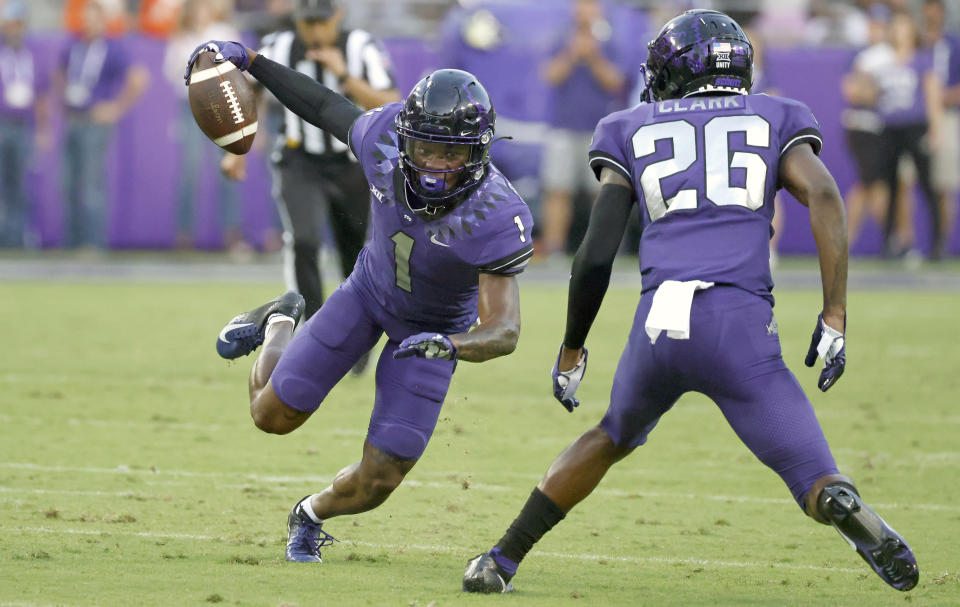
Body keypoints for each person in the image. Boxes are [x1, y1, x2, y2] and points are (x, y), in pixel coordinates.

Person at [463, 9, 918, 595]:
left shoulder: (629, 126)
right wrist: (834, 315)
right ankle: (837, 500)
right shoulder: (776, 114)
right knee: (813, 476)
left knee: (609, 436)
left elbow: (596, 254)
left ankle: (503, 557)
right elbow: (825, 194)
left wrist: (573, 347)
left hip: (660, 324)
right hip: (740, 326)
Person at [186, 39, 534, 563]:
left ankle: (309, 514)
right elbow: (323, 105)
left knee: (380, 479)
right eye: (426, 149)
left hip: (430, 335)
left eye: (452, 153)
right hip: (368, 294)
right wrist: (253, 63)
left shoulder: (495, 215)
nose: (436, 165)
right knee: (270, 416)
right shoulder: (383, 139)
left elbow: (503, 329)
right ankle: (281, 319)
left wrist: (451, 345)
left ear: (478, 153)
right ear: (406, 140)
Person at [222, 0, 400, 332]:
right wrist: (238, 148)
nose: (315, 32)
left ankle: (356, 331)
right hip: (299, 158)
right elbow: (253, 92)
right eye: (308, 23)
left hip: (351, 163)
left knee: (354, 254)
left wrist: (344, 73)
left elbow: (391, 102)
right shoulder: (280, 45)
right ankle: (312, 329)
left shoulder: (361, 46)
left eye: (321, 22)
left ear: (338, 17)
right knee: (303, 240)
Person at [162, 0, 251, 256]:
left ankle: (233, 234)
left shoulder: (224, 32)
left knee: (228, 170)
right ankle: (184, 235)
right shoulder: (181, 37)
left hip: (222, 106)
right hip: (191, 106)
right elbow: (173, 73)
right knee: (189, 170)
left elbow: (239, 67)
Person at [538, 0, 625, 259]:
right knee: (557, 189)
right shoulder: (561, 36)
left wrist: (594, 56)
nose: (585, 10)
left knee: (601, 192)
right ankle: (554, 249)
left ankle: (604, 250)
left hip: (599, 129)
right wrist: (572, 54)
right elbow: (550, 75)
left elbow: (615, 82)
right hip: (563, 127)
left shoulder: (610, 39)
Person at [57, 0, 148, 250]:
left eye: (94, 17)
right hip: (74, 119)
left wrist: (116, 108)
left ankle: (92, 243)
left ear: (103, 20)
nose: (89, 22)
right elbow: (61, 74)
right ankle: (71, 242)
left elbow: (139, 79)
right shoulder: (73, 45)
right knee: (70, 183)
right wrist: (63, 99)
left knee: (92, 184)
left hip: (95, 122)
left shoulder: (112, 48)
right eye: (86, 17)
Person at [874, 10, 945, 260]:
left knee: (927, 185)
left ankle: (937, 245)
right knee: (891, 187)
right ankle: (888, 243)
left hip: (915, 126)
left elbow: (932, 94)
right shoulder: (883, 59)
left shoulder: (922, 59)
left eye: (904, 27)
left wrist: (935, 130)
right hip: (890, 128)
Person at [0, 0, 51, 248]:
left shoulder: (32, 54)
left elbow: (41, 96)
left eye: (18, 24)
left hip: (23, 125)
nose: (13, 29)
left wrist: (43, 129)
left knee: (21, 185)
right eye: (10, 23)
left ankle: (17, 240)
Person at [925, 0, 959, 257]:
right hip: (915, 120)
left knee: (943, 183)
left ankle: (940, 245)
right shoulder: (918, 43)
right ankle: (904, 244)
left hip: (946, 117)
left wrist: (935, 98)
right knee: (904, 181)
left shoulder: (954, 44)